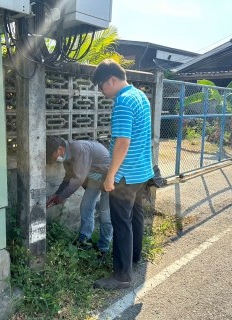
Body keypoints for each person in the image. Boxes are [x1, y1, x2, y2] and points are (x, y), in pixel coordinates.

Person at [92, 59, 154, 290]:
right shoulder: (139, 96)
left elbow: (122, 142)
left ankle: (121, 276)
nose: (101, 90)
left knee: (121, 224)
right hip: (141, 172)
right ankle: (133, 259)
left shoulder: (123, 102)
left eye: (101, 85)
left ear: (112, 80)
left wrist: (110, 176)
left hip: (126, 175)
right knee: (135, 218)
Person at [46, 136, 113, 258]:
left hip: (109, 178)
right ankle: (84, 240)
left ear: (60, 149)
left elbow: (78, 179)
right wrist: (57, 194)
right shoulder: (67, 159)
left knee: (105, 214)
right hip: (95, 178)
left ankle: (104, 247)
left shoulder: (79, 148)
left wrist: (62, 197)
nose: (54, 160)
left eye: (52, 156)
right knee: (85, 206)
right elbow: (68, 178)